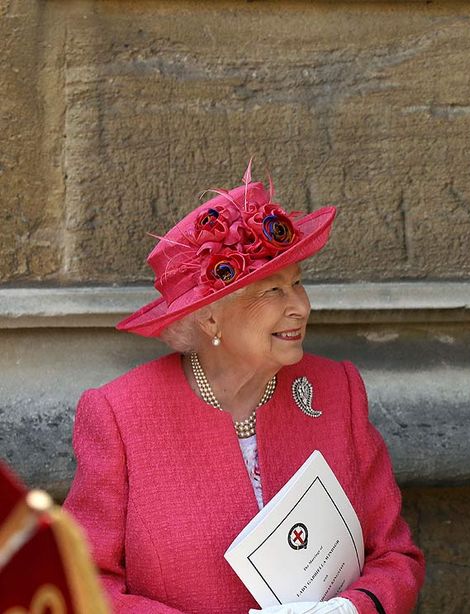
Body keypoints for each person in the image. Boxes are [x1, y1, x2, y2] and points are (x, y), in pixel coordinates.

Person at [64, 163, 425, 614]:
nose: (301, 307)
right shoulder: (120, 415)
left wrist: (349, 609)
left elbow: (395, 558)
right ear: (210, 316)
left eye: (298, 283)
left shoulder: (337, 390)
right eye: (272, 291)